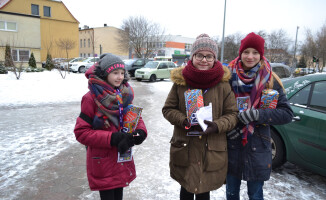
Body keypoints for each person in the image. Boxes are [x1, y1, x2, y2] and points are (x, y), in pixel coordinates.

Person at [162, 34, 238, 200]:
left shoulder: (223, 85)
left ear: (215, 58)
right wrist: (184, 121)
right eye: (200, 55)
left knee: (204, 191)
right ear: (193, 56)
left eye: (209, 56)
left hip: (210, 149)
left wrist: (217, 125)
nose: (204, 60)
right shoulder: (180, 82)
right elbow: (168, 109)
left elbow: (232, 115)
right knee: (187, 189)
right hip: (185, 146)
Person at [226, 32, 294, 200]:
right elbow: (220, 109)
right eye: (246, 52)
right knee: (231, 194)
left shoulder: (270, 79)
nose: (250, 56)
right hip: (232, 145)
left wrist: (257, 114)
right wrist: (229, 127)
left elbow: (286, 114)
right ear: (240, 53)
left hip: (258, 148)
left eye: (255, 52)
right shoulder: (227, 76)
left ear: (261, 54)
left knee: (255, 195)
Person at [74, 53, 147, 200]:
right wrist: (112, 138)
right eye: (115, 73)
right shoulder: (90, 98)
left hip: (121, 157)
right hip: (103, 160)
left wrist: (141, 131)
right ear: (104, 73)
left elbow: (133, 116)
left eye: (122, 73)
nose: (120, 77)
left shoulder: (124, 94)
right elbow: (81, 132)